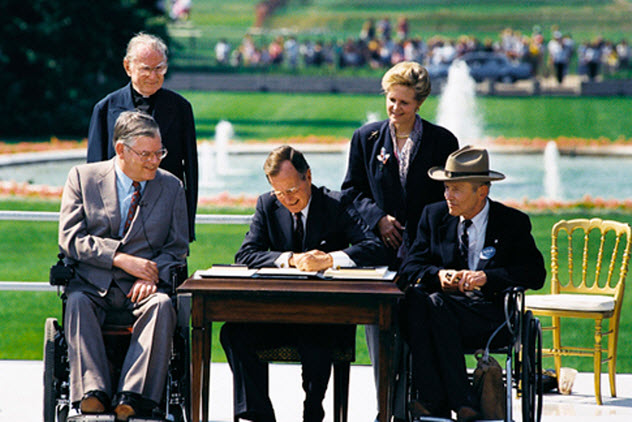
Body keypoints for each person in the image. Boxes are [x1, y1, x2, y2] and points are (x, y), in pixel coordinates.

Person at [220, 145, 387, 422]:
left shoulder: (336, 203)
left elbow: (374, 247)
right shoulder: (267, 204)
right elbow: (246, 254)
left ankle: (313, 409)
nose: (287, 199)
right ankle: (258, 415)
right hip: (277, 315)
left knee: (316, 338)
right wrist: (289, 259)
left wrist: (330, 260)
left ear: (307, 176)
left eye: (292, 190)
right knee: (233, 333)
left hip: (324, 317)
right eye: (280, 192)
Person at [341, 60, 458, 421]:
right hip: (380, 252)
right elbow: (351, 191)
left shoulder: (442, 141)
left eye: (403, 103)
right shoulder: (366, 138)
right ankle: (384, 408)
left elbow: (449, 199)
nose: (395, 109)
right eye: (391, 100)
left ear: (419, 103)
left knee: (418, 322)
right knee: (378, 327)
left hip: (425, 254)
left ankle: (423, 403)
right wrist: (378, 219)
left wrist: (422, 232)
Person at [398, 145, 546, 421]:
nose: (447, 196)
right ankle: (460, 400)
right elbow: (409, 268)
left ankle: (435, 400)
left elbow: (535, 274)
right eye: (446, 188)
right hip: (440, 311)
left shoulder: (512, 223)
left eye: (456, 189)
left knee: (430, 305)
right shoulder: (434, 216)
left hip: (489, 315)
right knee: (418, 301)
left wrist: (487, 278)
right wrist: (438, 275)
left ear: (482, 191)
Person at [59, 111, 189, 421]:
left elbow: (177, 248)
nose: (154, 161)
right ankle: (93, 393)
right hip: (94, 284)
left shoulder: (171, 187)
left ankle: (133, 397)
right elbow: (70, 238)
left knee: (160, 305)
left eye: (160, 152)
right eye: (146, 154)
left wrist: (153, 274)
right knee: (76, 301)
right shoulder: (83, 178)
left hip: (143, 288)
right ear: (121, 150)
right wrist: (119, 258)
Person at [87, 32, 198, 242]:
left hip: (166, 218)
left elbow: (190, 171)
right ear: (128, 67)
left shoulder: (181, 108)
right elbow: (94, 173)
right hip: (115, 222)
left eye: (159, 69)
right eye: (146, 69)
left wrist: (186, 227)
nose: (153, 76)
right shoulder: (104, 109)